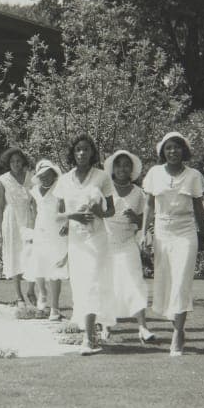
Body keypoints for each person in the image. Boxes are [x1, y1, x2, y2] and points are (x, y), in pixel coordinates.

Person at [142, 132, 204, 356]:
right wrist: (145, 232)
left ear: (184, 151)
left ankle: (177, 334)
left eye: (177, 147)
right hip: (162, 231)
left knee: (181, 281)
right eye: (169, 148)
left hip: (186, 232)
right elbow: (150, 206)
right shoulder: (154, 173)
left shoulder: (193, 176)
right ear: (163, 152)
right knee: (167, 282)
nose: (173, 151)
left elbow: (198, 208)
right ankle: (176, 323)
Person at [58, 134, 115, 355]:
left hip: (96, 238)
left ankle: (88, 339)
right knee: (80, 285)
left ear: (92, 153)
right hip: (76, 240)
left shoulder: (102, 177)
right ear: (73, 153)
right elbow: (57, 213)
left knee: (92, 282)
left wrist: (98, 211)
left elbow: (111, 210)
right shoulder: (64, 180)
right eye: (78, 149)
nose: (82, 153)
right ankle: (90, 332)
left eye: (86, 149)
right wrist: (75, 216)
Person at [101, 150, 157, 344]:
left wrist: (136, 218)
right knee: (107, 284)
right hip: (106, 243)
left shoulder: (138, 193)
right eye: (119, 165)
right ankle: (105, 326)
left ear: (131, 170)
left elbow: (146, 218)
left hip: (127, 243)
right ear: (113, 169)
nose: (122, 168)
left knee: (135, 282)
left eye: (126, 165)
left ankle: (143, 327)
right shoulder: (105, 190)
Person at [25, 159, 69, 321]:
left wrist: (67, 224)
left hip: (57, 232)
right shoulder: (35, 191)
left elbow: (66, 210)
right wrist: (30, 233)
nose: (45, 177)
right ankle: (42, 296)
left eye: (48, 174)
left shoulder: (60, 188)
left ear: (54, 174)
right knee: (38, 265)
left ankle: (55, 308)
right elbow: (33, 212)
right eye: (42, 175)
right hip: (40, 231)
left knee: (55, 269)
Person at [0, 146, 37, 306]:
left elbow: (36, 201)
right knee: (14, 254)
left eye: (19, 161)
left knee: (31, 253)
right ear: (8, 163)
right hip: (11, 219)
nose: (16, 164)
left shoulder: (31, 177)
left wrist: (37, 221)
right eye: (12, 161)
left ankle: (31, 290)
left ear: (23, 162)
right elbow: (0, 206)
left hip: (27, 218)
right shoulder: (3, 180)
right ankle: (19, 296)